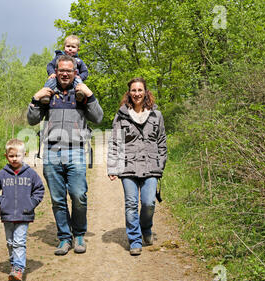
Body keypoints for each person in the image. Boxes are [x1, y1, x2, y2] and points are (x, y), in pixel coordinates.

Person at [27, 54, 103, 256]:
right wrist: (35, 99)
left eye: (69, 70)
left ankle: (78, 234)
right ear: (56, 71)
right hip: (51, 152)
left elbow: (98, 117)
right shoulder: (48, 93)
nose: (65, 74)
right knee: (58, 199)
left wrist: (91, 95)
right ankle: (64, 238)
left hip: (76, 150)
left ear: (75, 72)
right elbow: (32, 120)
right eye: (62, 70)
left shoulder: (81, 93)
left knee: (79, 195)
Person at [107, 77, 167, 256]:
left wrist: (160, 163)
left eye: (140, 90)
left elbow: (162, 141)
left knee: (148, 203)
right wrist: (112, 167)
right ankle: (134, 240)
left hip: (151, 166)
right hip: (128, 167)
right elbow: (115, 143)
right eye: (133, 90)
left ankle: (146, 228)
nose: (137, 94)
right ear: (129, 93)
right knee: (131, 204)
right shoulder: (121, 115)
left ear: (146, 92)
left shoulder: (157, 115)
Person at [0, 139, 45, 281]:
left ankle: (18, 270)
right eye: (11, 156)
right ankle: (14, 267)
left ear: (24, 155)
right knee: (10, 242)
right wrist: (1, 202)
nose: (14, 159)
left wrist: (31, 203)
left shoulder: (30, 174)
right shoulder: (2, 174)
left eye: (17, 156)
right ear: (6, 156)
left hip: (24, 214)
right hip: (7, 215)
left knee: (19, 242)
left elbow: (39, 190)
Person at [40, 35, 89, 104]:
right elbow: (50, 65)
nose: (70, 49)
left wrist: (81, 76)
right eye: (68, 46)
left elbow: (85, 71)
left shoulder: (79, 61)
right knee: (51, 80)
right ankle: (45, 95)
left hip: (74, 78)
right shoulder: (59, 57)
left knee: (79, 81)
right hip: (59, 77)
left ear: (78, 49)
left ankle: (80, 94)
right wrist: (52, 73)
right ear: (64, 47)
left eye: (73, 47)